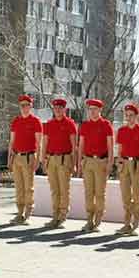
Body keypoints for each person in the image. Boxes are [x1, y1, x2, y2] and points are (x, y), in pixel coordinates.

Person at [40, 98, 78, 228]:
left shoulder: (70, 124)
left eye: (60, 108)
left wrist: (74, 163)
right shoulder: (49, 124)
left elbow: (74, 145)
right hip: (51, 159)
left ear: (64, 109)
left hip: (64, 159)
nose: (58, 110)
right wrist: (43, 159)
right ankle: (55, 216)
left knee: (64, 189)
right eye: (55, 108)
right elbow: (44, 143)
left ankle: (62, 216)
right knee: (54, 190)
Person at [77, 98, 114, 232]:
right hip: (87, 161)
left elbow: (110, 146)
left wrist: (110, 163)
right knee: (88, 192)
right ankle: (89, 220)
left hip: (101, 162)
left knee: (99, 193)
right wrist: (79, 162)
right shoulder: (85, 125)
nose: (92, 112)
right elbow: (80, 145)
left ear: (100, 110)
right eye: (90, 109)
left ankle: (98, 220)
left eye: (95, 109)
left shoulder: (106, 125)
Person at [115, 103, 139, 235]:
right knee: (125, 195)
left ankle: (135, 223)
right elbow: (119, 149)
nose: (129, 118)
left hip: (137, 163)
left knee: (136, 195)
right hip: (125, 163)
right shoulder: (122, 130)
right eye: (127, 115)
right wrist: (119, 163)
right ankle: (126, 223)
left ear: (136, 116)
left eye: (131, 115)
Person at [7, 95, 43, 225]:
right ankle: (19, 213)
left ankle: (28, 214)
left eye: (26, 105)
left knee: (28, 187)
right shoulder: (16, 121)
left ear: (30, 106)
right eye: (21, 105)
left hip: (29, 157)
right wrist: (9, 158)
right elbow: (11, 142)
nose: (24, 108)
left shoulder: (35, 121)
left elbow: (39, 143)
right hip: (16, 157)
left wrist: (38, 160)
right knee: (19, 187)